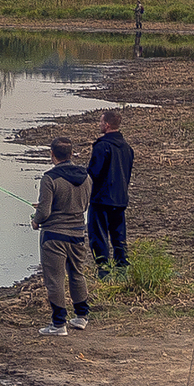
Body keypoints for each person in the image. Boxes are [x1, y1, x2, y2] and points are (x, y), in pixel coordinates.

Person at [31, 138, 93, 334]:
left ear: (52, 154)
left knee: (55, 279)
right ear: (71, 154)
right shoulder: (87, 177)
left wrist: (36, 219)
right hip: (78, 234)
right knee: (77, 273)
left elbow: (44, 213)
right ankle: (81, 317)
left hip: (54, 236)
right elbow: (82, 204)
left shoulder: (49, 178)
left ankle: (59, 324)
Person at [87, 110, 135, 276]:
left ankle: (104, 270)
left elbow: (94, 173)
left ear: (106, 125)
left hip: (101, 199)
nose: (100, 125)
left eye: (101, 122)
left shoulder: (102, 147)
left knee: (98, 235)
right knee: (119, 235)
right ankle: (122, 268)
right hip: (120, 198)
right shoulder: (127, 148)